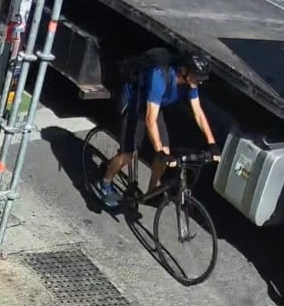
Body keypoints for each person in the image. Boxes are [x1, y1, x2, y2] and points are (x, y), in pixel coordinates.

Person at [94, 52, 221, 208]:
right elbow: (150, 119)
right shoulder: (159, 77)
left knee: (165, 152)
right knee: (127, 155)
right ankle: (105, 183)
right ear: (184, 71)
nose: (199, 82)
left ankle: (151, 192)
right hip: (134, 105)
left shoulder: (191, 84)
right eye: (197, 77)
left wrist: (211, 143)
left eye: (201, 79)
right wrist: (158, 151)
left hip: (153, 106)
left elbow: (198, 113)